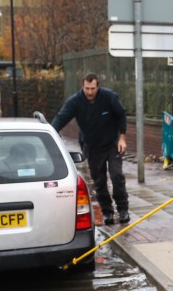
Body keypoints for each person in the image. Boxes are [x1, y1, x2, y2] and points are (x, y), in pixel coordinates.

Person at [52, 73, 129, 224]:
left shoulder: (109, 97)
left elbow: (121, 115)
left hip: (112, 143)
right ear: (82, 86)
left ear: (98, 86)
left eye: (92, 88)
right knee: (99, 181)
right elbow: (61, 118)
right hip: (92, 146)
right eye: (87, 88)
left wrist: (122, 137)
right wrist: (50, 133)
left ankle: (123, 209)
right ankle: (107, 212)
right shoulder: (75, 101)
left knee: (116, 176)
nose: (89, 92)